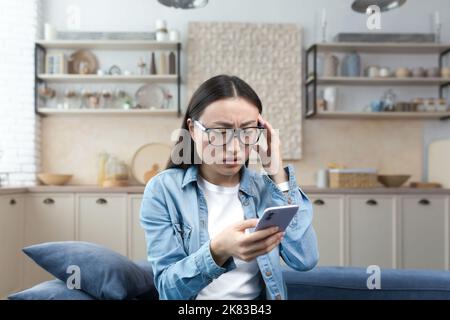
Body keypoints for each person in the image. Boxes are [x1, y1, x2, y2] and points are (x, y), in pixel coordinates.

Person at [140, 74, 318, 300]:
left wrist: (276, 171)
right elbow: (168, 290)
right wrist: (218, 251)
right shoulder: (164, 190)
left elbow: (305, 259)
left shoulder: (265, 189)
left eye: (247, 132)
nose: (234, 148)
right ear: (193, 130)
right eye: (219, 133)